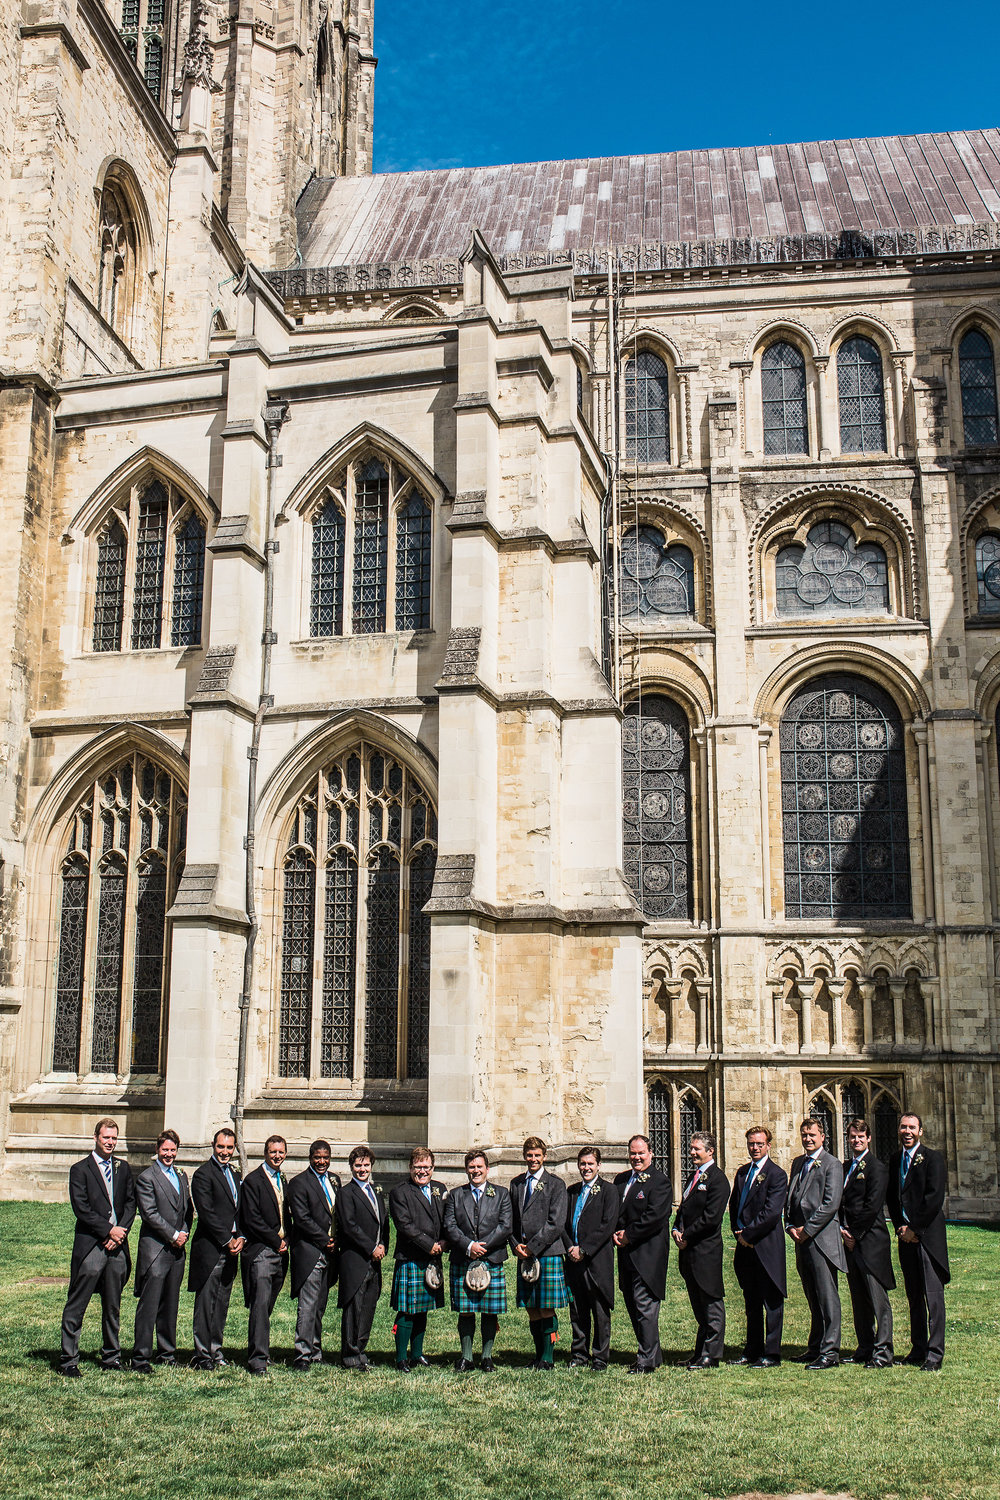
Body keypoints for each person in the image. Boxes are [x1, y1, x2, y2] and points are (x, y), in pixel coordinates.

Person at [59, 1118, 136, 1376]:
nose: (110, 1142)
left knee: (113, 1305)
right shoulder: (80, 1169)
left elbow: (129, 1203)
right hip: (92, 1245)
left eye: (114, 1138)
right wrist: (107, 1230)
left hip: (117, 1247)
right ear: (95, 1137)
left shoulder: (123, 1168)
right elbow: (81, 1207)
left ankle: (111, 1356)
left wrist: (120, 1233)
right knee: (77, 1303)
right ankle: (69, 1360)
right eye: (106, 1138)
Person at [887, 1113, 950, 1371]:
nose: (907, 1131)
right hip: (906, 1238)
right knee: (913, 1294)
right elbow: (893, 1197)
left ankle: (935, 1355)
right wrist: (901, 1228)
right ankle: (918, 1348)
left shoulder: (933, 1158)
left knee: (933, 1297)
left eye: (912, 1127)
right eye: (903, 1127)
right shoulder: (895, 1159)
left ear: (920, 1131)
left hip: (927, 1237)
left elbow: (934, 1198)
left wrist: (914, 1228)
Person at [443, 1147, 513, 1372]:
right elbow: (450, 1225)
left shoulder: (501, 1194)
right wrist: (468, 1245)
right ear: (466, 1170)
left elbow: (505, 1225)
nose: (475, 1171)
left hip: (491, 1257)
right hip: (463, 1257)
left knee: (489, 1310)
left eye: (479, 1167)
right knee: (466, 1309)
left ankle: (487, 1357)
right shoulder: (455, 1195)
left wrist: (483, 1246)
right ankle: (466, 1357)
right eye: (471, 1167)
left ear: (487, 1169)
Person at [785, 1117, 846, 1369]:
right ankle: (815, 1346)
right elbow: (791, 1198)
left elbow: (830, 1204)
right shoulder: (798, 1163)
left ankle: (830, 1352)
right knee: (812, 1295)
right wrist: (789, 1226)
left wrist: (807, 1230)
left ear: (823, 1137)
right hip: (801, 1240)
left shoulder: (832, 1164)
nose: (808, 1139)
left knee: (827, 1296)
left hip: (822, 1240)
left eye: (812, 1134)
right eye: (804, 1134)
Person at [131, 1129, 193, 1371]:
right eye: (165, 1150)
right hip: (156, 1250)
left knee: (171, 1303)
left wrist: (185, 1231)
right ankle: (140, 1357)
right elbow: (150, 1214)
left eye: (172, 1150)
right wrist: (174, 1235)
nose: (169, 1154)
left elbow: (187, 1209)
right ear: (157, 1150)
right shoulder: (147, 1178)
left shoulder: (182, 1176)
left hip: (177, 1251)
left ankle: (167, 1353)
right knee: (150, 1304)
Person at [728, 1124, 787, 1368]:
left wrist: (749, 1235)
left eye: (759, 1144)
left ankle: (771, 1354)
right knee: (750, 1301)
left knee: (771, 1301)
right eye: (752, 1144)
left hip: (766, 1246)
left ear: (768, 1146)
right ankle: (752, 1350)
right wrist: (738, 1232)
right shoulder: (742, 1172)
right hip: (745, 1247)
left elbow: (771, 1213)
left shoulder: (777, 1175)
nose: (755, 1148)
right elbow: (735, 1206)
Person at [509, 1136, 569, 1370]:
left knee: (546, 1306)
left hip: (547, 1253)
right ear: (524, 1156)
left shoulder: (555, 1184)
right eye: (529, 1155)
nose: (533, 1159)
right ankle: (537, 1355)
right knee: (531, 1307)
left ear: (544, 1157)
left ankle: (548, 1357)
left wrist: (532, 1247)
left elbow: (556, 1223)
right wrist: (515, 1245)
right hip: (523, 1254)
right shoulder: (516, 1184)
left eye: (537, 1155)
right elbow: (511, 1220)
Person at [613, 1133, 672, 1373]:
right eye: (633, 1153)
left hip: (648, 1253)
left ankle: (646, 1361)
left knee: (645, 1304)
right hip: (626, 1253)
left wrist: (629, 1234)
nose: (636, 1157)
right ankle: (653, 1354)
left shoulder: (659, 1182)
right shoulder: (621, 1180)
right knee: (632, 1303)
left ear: (651, 1154)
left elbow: (655, 1217)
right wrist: (614, 1232)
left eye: (641, 1153)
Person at [839, 1117, 894, 1368]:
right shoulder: (846, 1166)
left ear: (869, 1139)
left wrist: (853, 1233)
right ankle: (865, 1347)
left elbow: (873, 1206)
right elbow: (840, 1202)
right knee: (858, 1297)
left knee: (877, 1298)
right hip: (850, 1242)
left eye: (861, 1137)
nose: (856, 1140)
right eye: (852, 1136)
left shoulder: (877, 1167)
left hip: (870, 1241)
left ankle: (883, 1352)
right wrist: (842, 1229)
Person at [672, 1130, 729, 1369]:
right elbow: (683, 1209)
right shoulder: (693, 1177)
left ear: (710, 1151)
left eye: (697, 1149)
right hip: (689, 1252)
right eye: (692, 1148)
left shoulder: (718, 1179)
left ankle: (712, 1354)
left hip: (706, 1251)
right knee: (698, 1304)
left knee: (711, 1302)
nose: (692, 1152)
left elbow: (712, 1217)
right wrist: (676, 1229)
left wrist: (687, 1234)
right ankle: (700, 1351)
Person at [388, 1147, 449, 1371]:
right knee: (408, 1309)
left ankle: (417, 1354)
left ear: (432, 1168)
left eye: (426, 1167)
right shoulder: (400, 1192)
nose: (422, 1171)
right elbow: (404, 1226)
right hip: (412, 1257)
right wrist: (429, 1245)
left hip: (434, 1257)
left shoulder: (440, 1189)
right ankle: (401, 1358)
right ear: (410, 1168)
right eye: (417, 1167)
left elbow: (448, 1220)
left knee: (423, 1308)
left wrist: (445, 1242)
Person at [188, 1127, 243, 1369]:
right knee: (206, 1304)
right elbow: (206, 1213)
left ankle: (216, 1351)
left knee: (221, 1304)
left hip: (232, 1248)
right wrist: (226, 1238)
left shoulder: (234, 1173)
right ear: (213, 1145)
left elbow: (239, 1210)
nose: (225, 1152)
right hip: (211, 1248)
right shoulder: (203, 1174)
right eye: (221, 1147)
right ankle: (202, 1355)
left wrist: (241, 1236)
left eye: (229, 1148)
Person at [286, 1139, 340, 1370]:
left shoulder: (334, 1180)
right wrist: (323, 1239)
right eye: (317, 1157)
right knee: (307, 1305)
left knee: (320, 1305)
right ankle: (302, 1354)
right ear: (310, 1157)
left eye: (325, 1157)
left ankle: (316, 1350)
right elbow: (302, 1218)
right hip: (310, 1251)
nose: (321, 1161)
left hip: (331, 1253)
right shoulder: (299, 1183)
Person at [564, 1147, 620, 1371]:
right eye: (582, 1164)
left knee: (599, 1310)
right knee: (577, 1310)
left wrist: (584, 1250)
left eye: (590, 1164)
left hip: (596, 1260)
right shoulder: (572, 1191)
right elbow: (563, 1224)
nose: (586, 1168)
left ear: (598, 1165)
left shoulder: (609, 1191)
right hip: (573, 1260)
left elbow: (608, 1225)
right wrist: (570, 1247)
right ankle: (579, 1353)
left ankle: (600, 1356)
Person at [336, 1145, 390, 1370]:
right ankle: (350, 1356)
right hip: (355, 1260)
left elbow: (384, 1223)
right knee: (353, 1310)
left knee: (368, 1308)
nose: (362, 1169)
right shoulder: (346, 1193)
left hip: (374, 1262)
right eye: (358, 1165)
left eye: (366, 1165)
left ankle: (361, 1351)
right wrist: (371, 1247)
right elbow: (349, 1226)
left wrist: (383, 1244)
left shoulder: (376, 1192)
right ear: (351, 1167)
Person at [239, 1134, 289, 1375]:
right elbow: (252, 1219)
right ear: (265, 1153)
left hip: (280, 1253)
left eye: (281, 1152)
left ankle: (262, 1350)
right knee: (259, 1306)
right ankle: (257, 1360)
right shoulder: (253, 1181)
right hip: (261, 1251)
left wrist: (286, 1239)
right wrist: (275, 1240)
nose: (277, 1156)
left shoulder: (283, 1179)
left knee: (267, 1306)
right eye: (273, 1152)